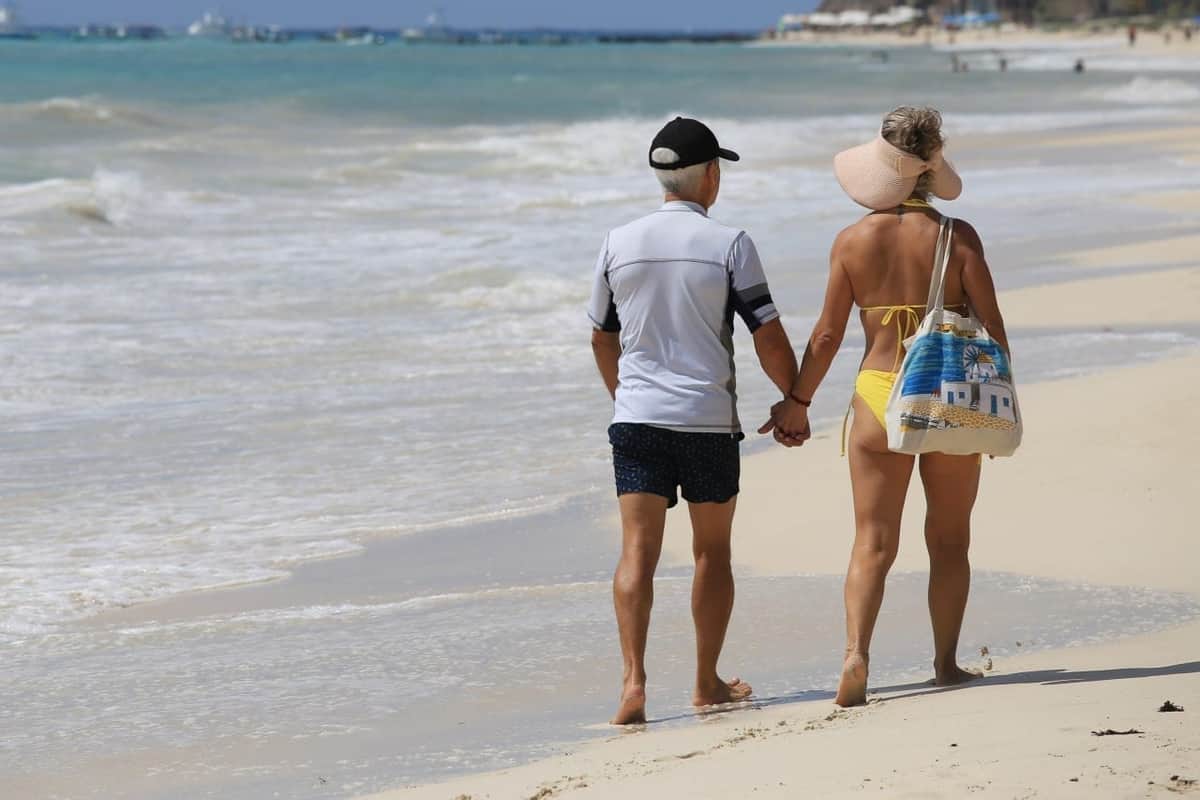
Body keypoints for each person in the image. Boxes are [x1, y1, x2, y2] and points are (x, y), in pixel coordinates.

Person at [760, 107, 1011, 706]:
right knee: (949, 540)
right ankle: (945, 664)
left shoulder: (852, 241)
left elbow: (826, 337)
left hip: (878, 394)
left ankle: (856, 656)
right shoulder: (958, 237)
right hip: (948, 395)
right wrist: (994, 404)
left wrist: (797, 402)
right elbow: (994, 330)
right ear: (930, 168)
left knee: (872, 540)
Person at [588, 117, 805, 724]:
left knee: (637, 552)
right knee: (711, 552)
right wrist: (794, 401)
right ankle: (706, 681)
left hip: (637, 422)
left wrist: (626, 399)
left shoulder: (617, 242)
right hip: (707, 422)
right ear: (710, 174)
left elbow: (602, 337)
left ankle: (633, 682)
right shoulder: (730, 243)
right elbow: (766, 332)